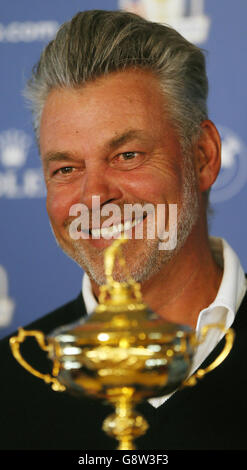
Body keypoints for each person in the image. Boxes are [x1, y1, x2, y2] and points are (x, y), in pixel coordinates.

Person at [0, 9, 246, 451]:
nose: (94, 197)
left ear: (204, 156)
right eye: (67, 168)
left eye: (127, 155)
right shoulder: (11, 379)